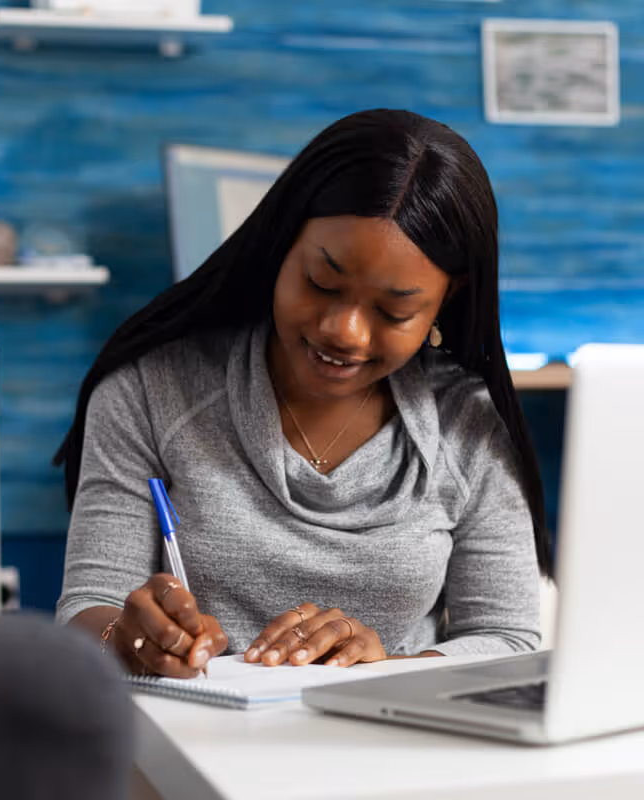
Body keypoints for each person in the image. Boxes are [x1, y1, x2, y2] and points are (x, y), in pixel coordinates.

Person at [54, 109, 552, 679]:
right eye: (321, 283)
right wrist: (127, 636)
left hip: (394, 746)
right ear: (282, 246)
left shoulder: (467, 422)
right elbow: (86, 608)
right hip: (193, 742)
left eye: (394, 310)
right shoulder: (150, 390)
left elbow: (510, 639)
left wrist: (384, 668)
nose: (346, 332)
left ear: (445, 302)